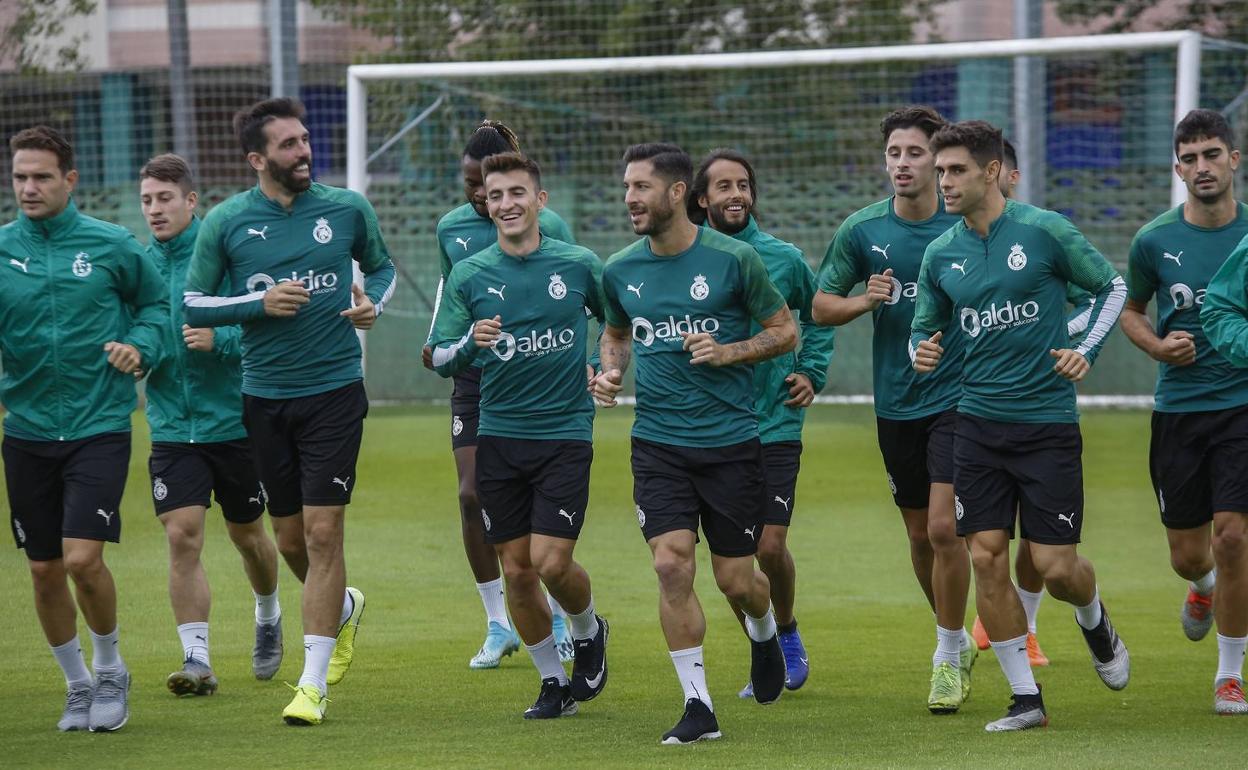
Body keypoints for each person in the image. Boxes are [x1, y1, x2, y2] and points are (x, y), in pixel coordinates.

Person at [911, 120, 1129, 732]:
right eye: (940, 169)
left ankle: (1093, 618)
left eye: (954, 170)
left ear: (990, 171)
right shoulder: (940, 253)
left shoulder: (1045, 231)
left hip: (1046, 424)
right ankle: (1024, 698)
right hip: (976, 423)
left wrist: (1083, 344)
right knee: (985, 557)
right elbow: (922, 328)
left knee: (1058, 567)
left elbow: (1112, 288)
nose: (943, 180)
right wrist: (919, 352)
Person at [183, 97, 396, 726]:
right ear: (257, 159)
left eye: (305, 140)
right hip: (264, 397)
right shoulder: (226, 223)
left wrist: (372, 306)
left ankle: (311, 685)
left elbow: (381, 270)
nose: (303, 151)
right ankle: (345, 607)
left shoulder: (347, 208)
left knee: (326, 533)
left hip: (333, 391)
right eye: (288, 144)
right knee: (291, 539)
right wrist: (258, 304)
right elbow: (194, 304)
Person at [592, 142, 796, 744]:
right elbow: (615, 331)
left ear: (678, 193)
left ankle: (763, 634)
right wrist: (609, 371)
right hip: (657, 444)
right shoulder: (620, 269)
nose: (630, 198)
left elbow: (785, 331)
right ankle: (698, 704)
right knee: (670, 563)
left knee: (737, 580)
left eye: (641, 187)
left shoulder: (735, 260)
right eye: (627, 186)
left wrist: (729, 351)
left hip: (732, 442)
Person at [430, 152, 609, 718]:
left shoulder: (579, 264)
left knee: (552, 563)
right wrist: (469, 345)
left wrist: (604, 368)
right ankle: (553, 684)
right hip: (498, 432)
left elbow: (618, 321)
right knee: (516, 569)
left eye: (516, 193)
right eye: (495, 194)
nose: (505, 203)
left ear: (539, 200)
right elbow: (435, 354)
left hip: (564, 431)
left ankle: (587, 627)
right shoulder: (470, 273)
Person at [1, 125, 168, 731]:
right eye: (20, 176)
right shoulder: (2, 249)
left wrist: (140, 347)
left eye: (42, 176)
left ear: (70, 180)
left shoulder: (112, 245)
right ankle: (77, 684)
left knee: (80, 560)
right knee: (43, 568)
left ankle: (111, 667)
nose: (29, 187)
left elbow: (156, 308)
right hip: (25, 430)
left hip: (98, 424)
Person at [813, 106, 978, 712]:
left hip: (959, 395)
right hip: (896, 403)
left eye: (915, 153)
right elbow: (819, 304)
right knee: (917, 534)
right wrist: (864, 301)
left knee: (942, 527)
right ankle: (957, 638)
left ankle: (944, 655)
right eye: (894, 154)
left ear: (938, 160)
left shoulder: (966, 224)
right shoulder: (863, 230)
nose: (903, 164)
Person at [421, 120, 579, 668]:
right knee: (470, 496)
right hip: (476, 375)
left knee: (539, 523)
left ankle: (558, 613)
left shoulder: (552, 224)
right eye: (471, 186)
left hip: (537, 378)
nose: (477, 195)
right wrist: (447, 344)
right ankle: (496, 623)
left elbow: (573, 296)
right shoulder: (451, 230)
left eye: (486, 183)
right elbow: (451, 300)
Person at [688, 148, 834, 697]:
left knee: (769, 548)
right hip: (713, 428)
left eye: (743, 185)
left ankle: (787, 632)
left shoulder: (782, 257)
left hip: (774, 424)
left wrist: (812, 372)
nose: (736, 195)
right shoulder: (687, 259)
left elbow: (819, 314)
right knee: (734, 561)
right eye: (723, 187)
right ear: (700, 199)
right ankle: (761, 642)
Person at [138, 153, 284, 696]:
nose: (155, 209)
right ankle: (196, 658)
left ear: (191, 200)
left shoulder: (226, 254)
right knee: (182, 535)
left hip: (237, 424)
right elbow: (133, 325)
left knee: (249, 536)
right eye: (147, 200)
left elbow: (269, 324)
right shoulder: (139, 264)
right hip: (174, 428)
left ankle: (268, 614)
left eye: (165, 198)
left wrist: (220, 339)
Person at [1127, 109, 1248, 715]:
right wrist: (1156, 346)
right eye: (1191, 158)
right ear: (1178, 168)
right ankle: (1201, 590)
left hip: (1241, 407)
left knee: (1233, 539)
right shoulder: (1154, 241)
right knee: (1190, 555)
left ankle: (1230, 676)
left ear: (1234, 159)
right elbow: (1130, 310)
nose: (1202, 166)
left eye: (1212, 154)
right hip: (1179, 409)